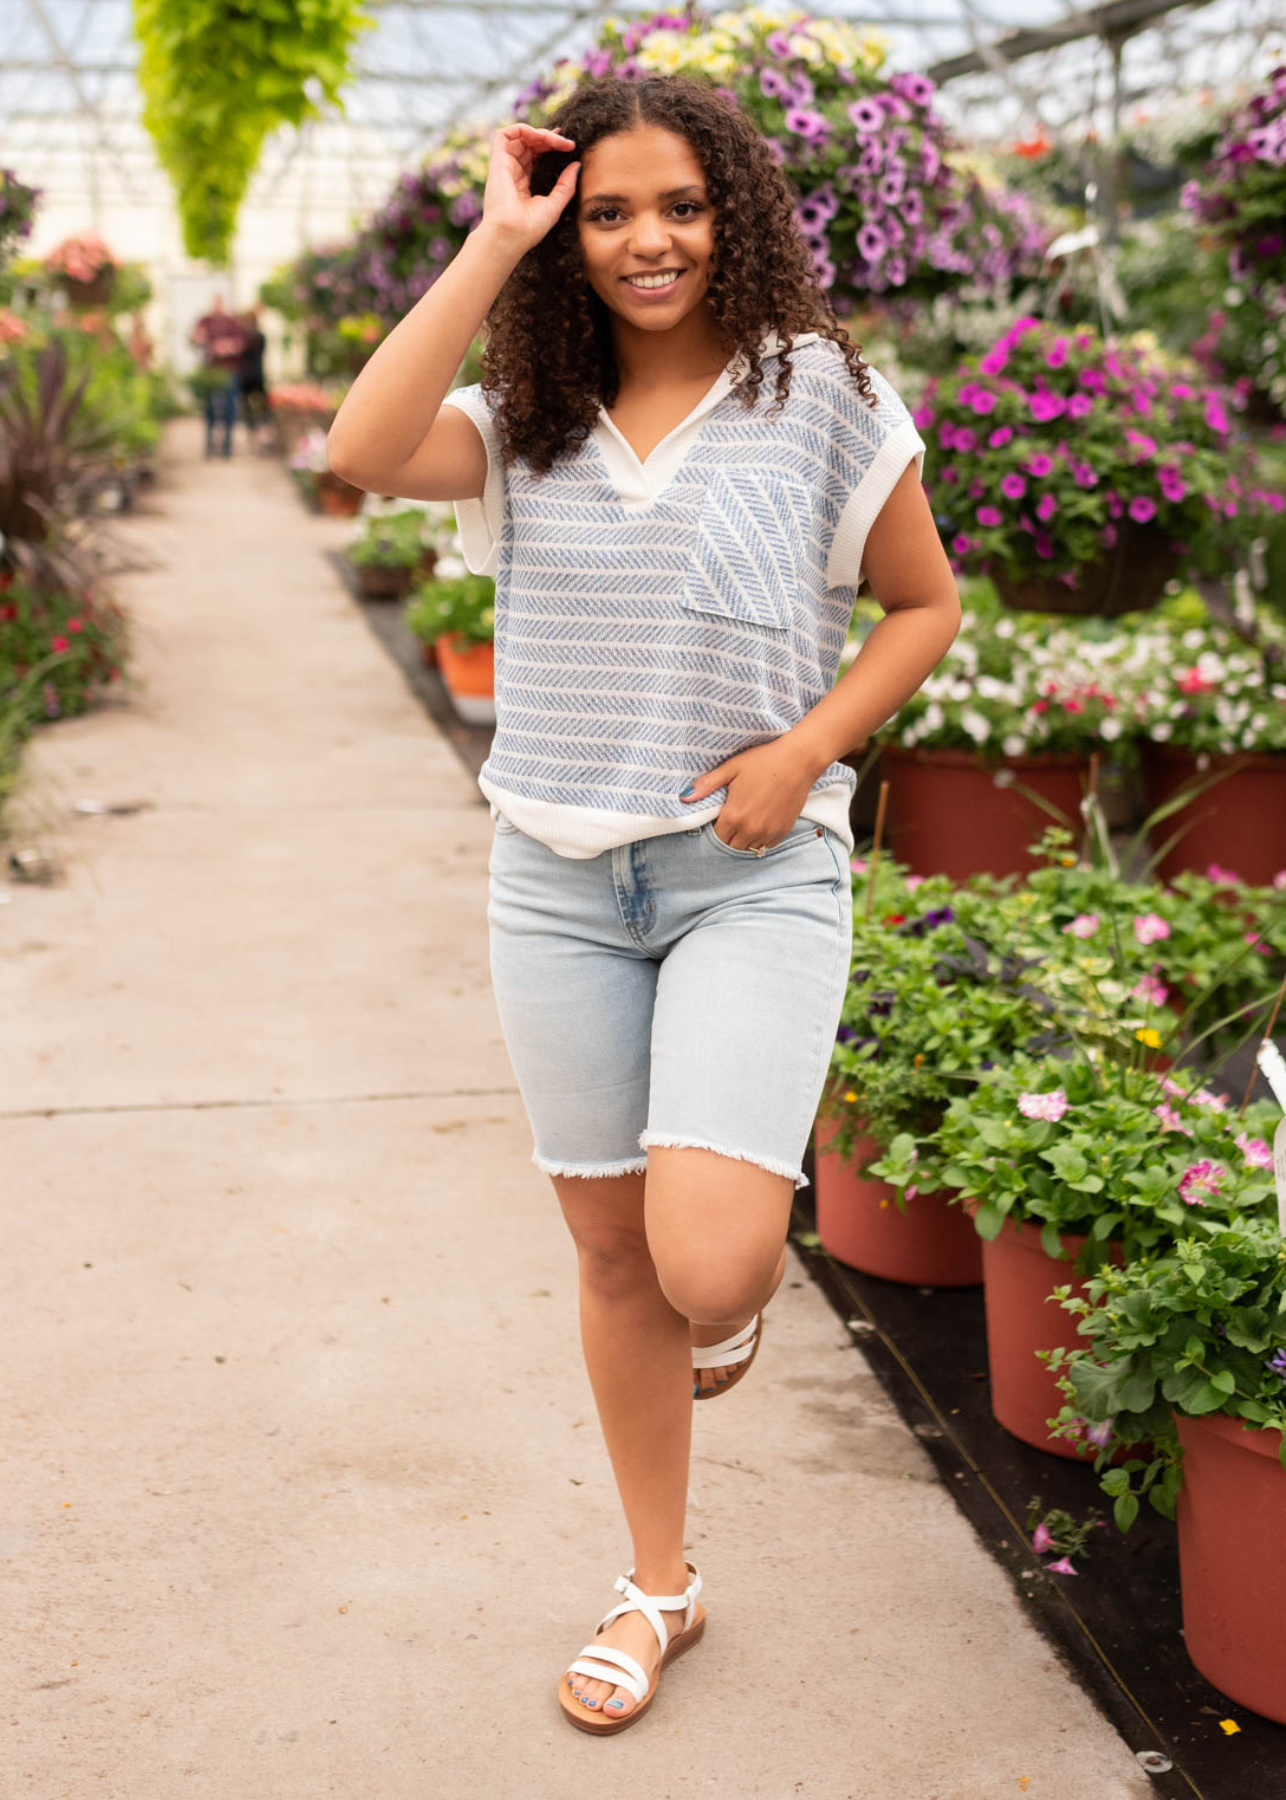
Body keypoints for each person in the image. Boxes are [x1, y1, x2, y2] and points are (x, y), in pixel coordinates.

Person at [327, 75, 960, 1735]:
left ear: (731, 213)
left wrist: (806, 749)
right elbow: (359, 448)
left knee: (712, 1265)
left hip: (750, 874)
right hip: (552, 883)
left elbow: (922, 604)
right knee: (616, 1259)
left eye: (679, 205)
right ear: (570, 232)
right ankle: (656, 1583)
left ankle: (720, 1312)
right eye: (607, 212)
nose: (647, 240)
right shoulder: (528, 417)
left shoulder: (820, 394)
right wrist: (495, 237)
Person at [189, 295, 247, 458]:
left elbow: (241, 344)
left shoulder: (232, 322)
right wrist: (198, 338)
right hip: (211, 371)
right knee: (209, 408)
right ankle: (209, 446)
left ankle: (227, 446)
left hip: (229, 370)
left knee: (229, 407)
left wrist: (226, 346)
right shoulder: (205, 321)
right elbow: (194, 339)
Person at [235, 304, 271, 445]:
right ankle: (262, 427)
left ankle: (251, 428)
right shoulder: (260, 336)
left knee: (246, 404)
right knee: (262, 403)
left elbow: (240, 352)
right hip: (257, 373)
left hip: (245, 374)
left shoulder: (245, 338)